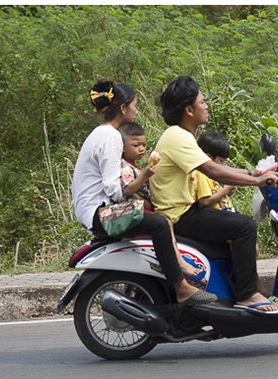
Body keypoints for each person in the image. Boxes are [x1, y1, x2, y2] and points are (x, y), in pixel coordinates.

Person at [71, 77, 214, 305]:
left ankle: (172, 274)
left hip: (94, 210)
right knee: (159, 224)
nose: (137, 111)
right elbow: (114, 189)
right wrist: (138, 189)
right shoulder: (111, 137)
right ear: (123, 108)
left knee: (159, 219)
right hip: (100, 214)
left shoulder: (101, 133)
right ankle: (182, 288)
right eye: (135, 106)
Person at [149, 75, 278, 315]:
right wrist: (256, 180)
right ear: (189, 109)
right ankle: (245, 295)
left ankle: (234, 292)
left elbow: (216, 167)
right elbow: (212, 170)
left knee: (235, 231)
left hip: (184, 211)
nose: (206, 106)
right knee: (244, 227)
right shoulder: (178, 137)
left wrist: (254, 171)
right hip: (180, 216)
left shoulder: (180, 135)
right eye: (202, 102)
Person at [195, 130, 278, 302]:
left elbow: (223, 182)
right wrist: (225, 190)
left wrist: (252, 174)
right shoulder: (202, 173)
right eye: (220, 162)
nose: (223, 166)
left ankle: (250, 286)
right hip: (215, 220)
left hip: (222, 216)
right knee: (251, 245)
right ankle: (255, 290)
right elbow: (205, 201)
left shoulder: (210, 172)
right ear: (208, 157)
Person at [118, 122, 202, 277]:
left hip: (143, 205)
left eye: (144, 145)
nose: (141, 149)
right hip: (132, 209)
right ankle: (179, 263)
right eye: (136, 145)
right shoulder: (124, 167)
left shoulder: (133, 166)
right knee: (166, 224)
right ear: (123, 147)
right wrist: (145, 176)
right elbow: (127, 190)